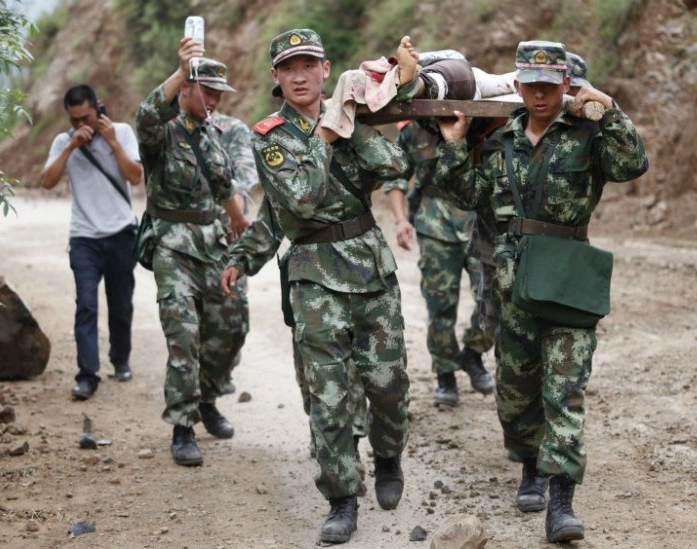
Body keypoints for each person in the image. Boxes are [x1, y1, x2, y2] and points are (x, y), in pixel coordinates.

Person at [432, 40, 648, 543]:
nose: (540, 94)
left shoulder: (588, 134)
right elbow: (465, 193)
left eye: (550, 85)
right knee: (516, 393)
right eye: (530, 84)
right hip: (514, 284)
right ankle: (528, 463)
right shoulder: (501, 137)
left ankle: (562, 503)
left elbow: (632, 165)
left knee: (565, 391)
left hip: (569, 278)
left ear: (566, 85)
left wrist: (611, 110)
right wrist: (453, 142)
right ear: (519, 83)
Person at [220, 28, 410, 544]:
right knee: (328, 395)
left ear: (326, 70)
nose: (299, 75)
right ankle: (341, 499)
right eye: (288, 68)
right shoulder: (270, 136)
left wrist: (357, 123)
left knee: (387, 386)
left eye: (308, 65)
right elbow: (293, 205)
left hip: (371, 270)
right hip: (313, 277)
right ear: (277, 78)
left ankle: (389, 457)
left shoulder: (353, 117)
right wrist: (245, 258)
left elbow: (395, 166)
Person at [134, 39, 250, 467]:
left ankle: (207, 398)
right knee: (185, 337)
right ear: (185, 89)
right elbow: (145, 115)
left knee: (231, 327)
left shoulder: (213, 134)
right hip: (173, 246)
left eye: (220, 94)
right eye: (207, 91)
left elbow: (223, 185)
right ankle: (182, 427)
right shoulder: (163, 131)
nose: (215, 100)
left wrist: (237, 219)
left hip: (214, 245)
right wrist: (181, 71)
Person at [384, 116, 497, 407]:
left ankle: (473, 353)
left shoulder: (480, 123)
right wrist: (399, 220)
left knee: (494, 296)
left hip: (479, 221)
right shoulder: (412, 131)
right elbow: (395, 176)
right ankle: (445, 372)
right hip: (433, 223)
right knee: (440, 304)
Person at [40, 84, 144, 400]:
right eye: (74, 120)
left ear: (98, 108)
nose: (81, 125)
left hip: (121, 234)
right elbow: (46, 181)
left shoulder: (122, 132)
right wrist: (71, 145)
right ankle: (87, 375)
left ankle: (120, 358)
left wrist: (112, 142)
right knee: (85, 304)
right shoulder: (63, 141)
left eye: (85, 117)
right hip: (84, 237)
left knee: (121, 305)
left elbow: (135, 176)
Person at [212, 112, 256, 397]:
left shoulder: (232, 129)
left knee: (233, 323)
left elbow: (242, 177)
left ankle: (218, 374)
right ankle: (197, 403)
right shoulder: (171, 127)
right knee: (188, 327)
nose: (209, 98)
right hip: (184, 244)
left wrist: (234, 218)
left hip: (228, 239)